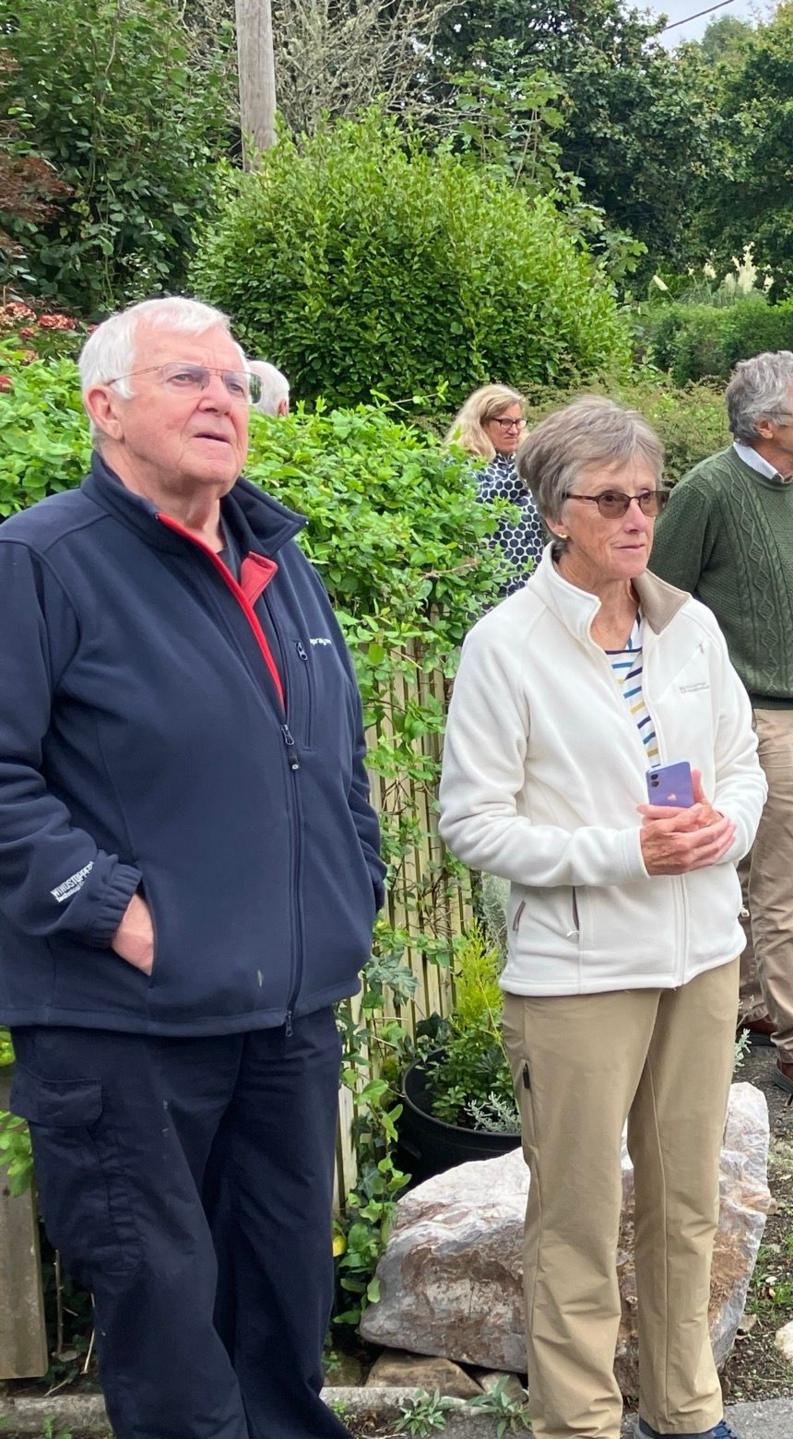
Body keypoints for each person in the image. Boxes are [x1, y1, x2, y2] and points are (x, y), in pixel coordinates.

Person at [0, 297, 384, 1439]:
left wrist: (351, 881)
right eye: (184, 379)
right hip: (126, 1026)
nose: (220, 399)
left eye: (230, 380)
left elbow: (333, 752)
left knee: (282, 1306)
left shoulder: (277, 555)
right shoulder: (37, 563)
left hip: (287, 1014)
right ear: (104, 408)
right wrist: (111, 905)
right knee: (168, 1328)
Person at [438, 398, 767, 1439]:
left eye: (648, 495)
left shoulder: (691, 625)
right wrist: (620, 851)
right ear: (554, 511)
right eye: (611, 498)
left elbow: (744, 767)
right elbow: (472, 821)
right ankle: (577, 1421)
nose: (637, 517)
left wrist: (726, 826)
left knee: (686, 1206)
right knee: (575, 1218)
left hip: (703, 951)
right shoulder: (507, 645)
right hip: (579, 974)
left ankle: (685, 1409)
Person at [648, 351, 793, 1117]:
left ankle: (751, 998)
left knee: (774, 877)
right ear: (766, 424)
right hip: (760, 718)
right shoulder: (709, 490)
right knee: (787, 888)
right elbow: (661, 604)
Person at [452, 383, 542, 595]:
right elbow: (481, 505)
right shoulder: (461, 464)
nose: (514, 430)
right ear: (480, 423)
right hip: (489, 592)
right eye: (505, 422)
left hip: (533, 589)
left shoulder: (518, 460)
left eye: (518, 422)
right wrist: (527, 470)